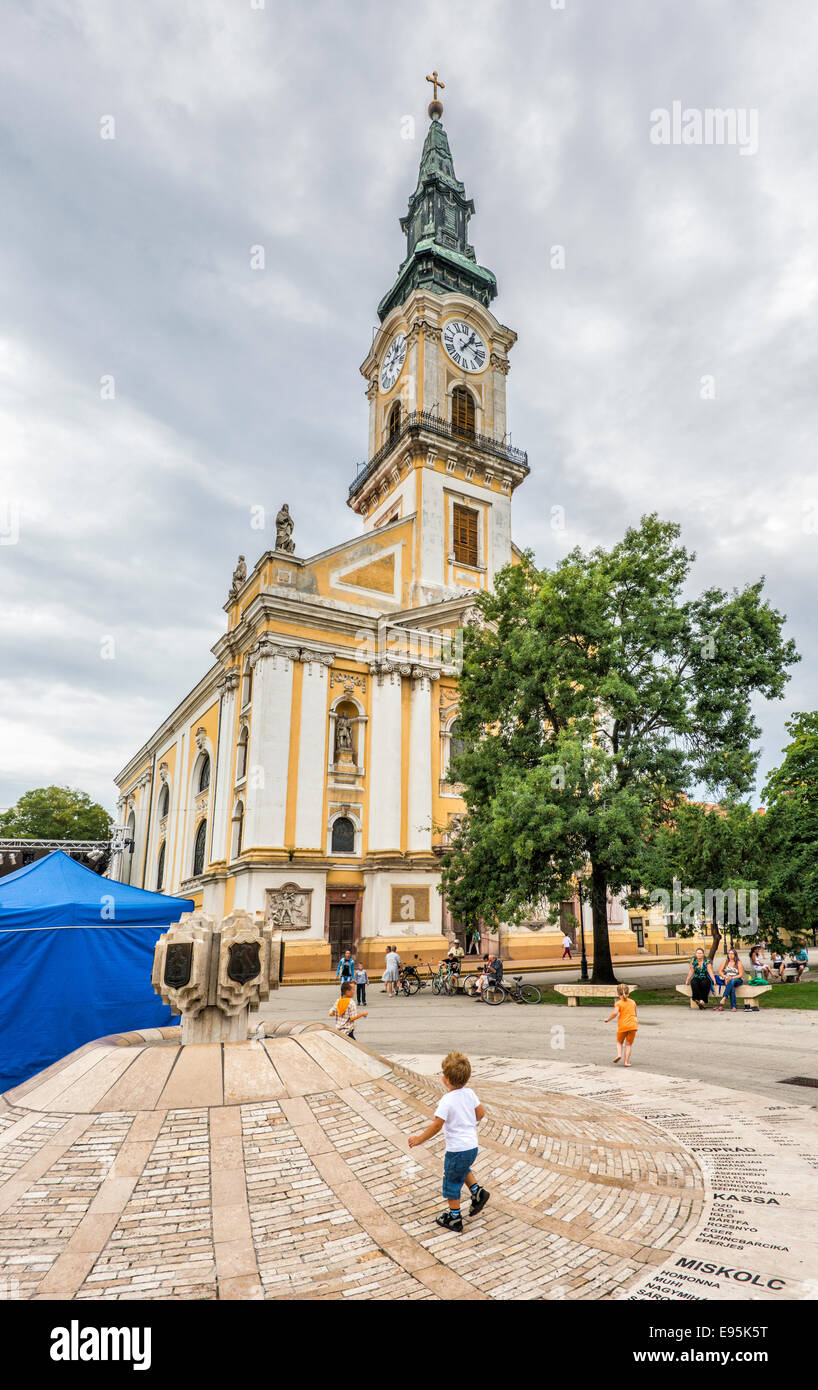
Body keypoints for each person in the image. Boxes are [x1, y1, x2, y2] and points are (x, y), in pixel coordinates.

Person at [408, 1051, 490, 1233]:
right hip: (472, 1146)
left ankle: (454, 1218)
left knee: (451, 1181)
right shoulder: (469, 1093)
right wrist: (467, 1123)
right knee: (462, 1169)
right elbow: (481, 1114)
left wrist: (419, 1139)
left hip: (457, 1149)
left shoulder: (447, 1101)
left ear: (445, 1079)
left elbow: (437, 1125)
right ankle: (477, 1192)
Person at [603, 984, 638, 1067]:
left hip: (623, 1025)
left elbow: (615, 1013)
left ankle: (619, 1054)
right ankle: (626, 1062)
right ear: (628, 993)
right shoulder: (633, 1002)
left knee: (619, 1042)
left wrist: (608, 1019)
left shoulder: (618, 1003)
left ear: (618, 994)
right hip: (633, 1025)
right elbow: (635, 1014)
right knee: (628, 1044)